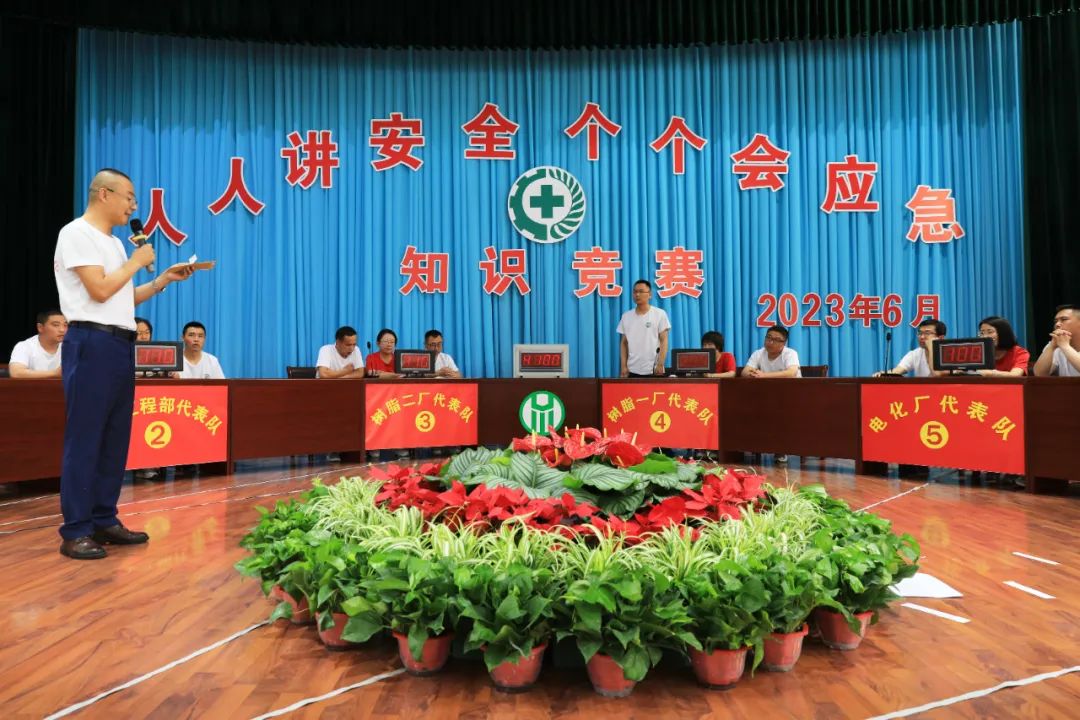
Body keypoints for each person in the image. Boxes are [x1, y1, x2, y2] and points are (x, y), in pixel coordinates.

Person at [54, 167, 194, 560]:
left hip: (119, 343)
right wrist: (136, 262)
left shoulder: (116, 244)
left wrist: (162, 279)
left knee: (115, 438)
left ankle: (104, 518)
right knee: (86, 438)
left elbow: (122, 297)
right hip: (91, 341)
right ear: (104, 194)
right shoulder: (76, 233)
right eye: (129, 197)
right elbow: (99, 291)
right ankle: (76, 530)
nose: (134, 206)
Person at [618, 279, 670, 377]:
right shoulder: (626, 316)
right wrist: (623, 366)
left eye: (641, 291)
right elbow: (624, 343)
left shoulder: (659, 314)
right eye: (635, 292)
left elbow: (664, 340)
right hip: (632, 369)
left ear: (650, 294)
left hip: (654, 369)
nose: (637, 295)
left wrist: (660, 363)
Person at [875, 319, 948, 378]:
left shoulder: (949, 355)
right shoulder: (915, 354)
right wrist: (883, 374)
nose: (922, 337)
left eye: (927, 333)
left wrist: (931, 348)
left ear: (941, 338)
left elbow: (937, 374)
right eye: (920, 333)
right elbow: (898, 370)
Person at [8, 309, 67, 378]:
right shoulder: (24, 346)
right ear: (40, 327)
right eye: (56, 325)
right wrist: (54, 373)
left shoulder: (71, 346)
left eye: (65, 325)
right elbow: (16, 373)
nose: (62, 330)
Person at [1033, 304, 1080, 377]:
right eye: (1056, 321)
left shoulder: (1063, 344)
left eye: (1064, 319)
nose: (1057, 324)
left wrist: (1065, 347)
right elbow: (1039, 374)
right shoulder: (1055, 345)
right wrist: (1052, 346)